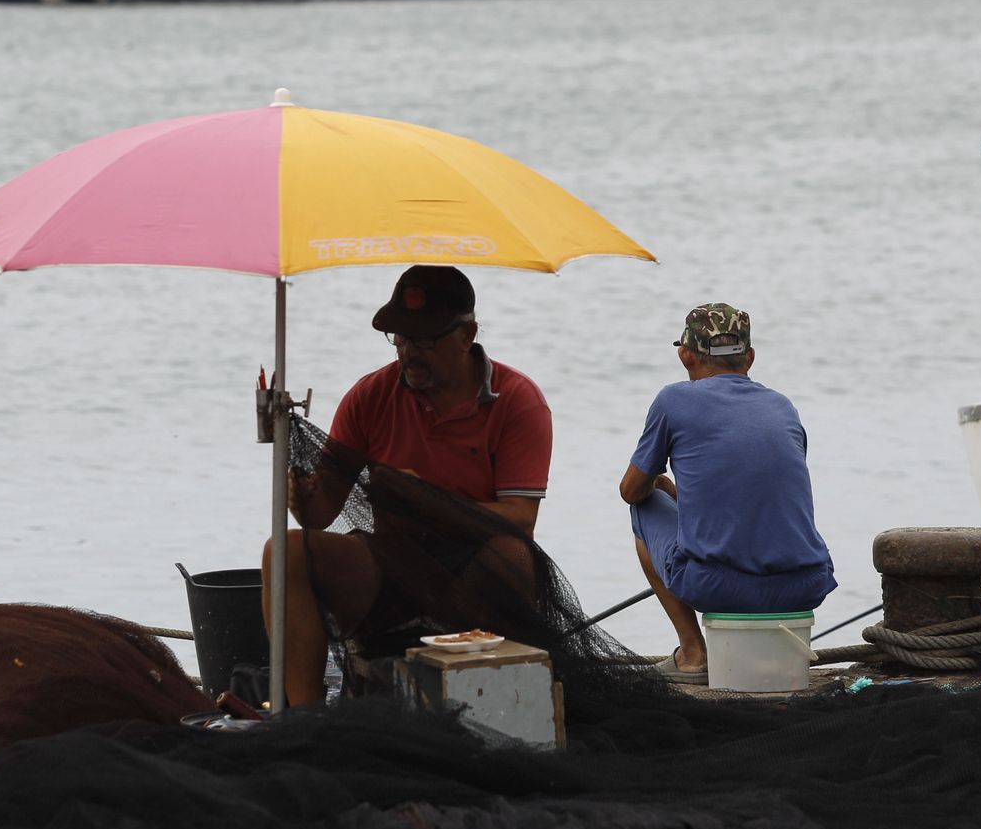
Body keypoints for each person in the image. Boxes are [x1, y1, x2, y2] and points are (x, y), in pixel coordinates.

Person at [261, 265, 552, 706]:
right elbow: (321, 513)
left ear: (466, 334)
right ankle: (301, 718)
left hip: (472, 565)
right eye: (400, 337)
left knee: (513, 558)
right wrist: (297, 490)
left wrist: (429, 501)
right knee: (285, 552)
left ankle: (491, 697)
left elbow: (520, 519)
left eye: (424, 339)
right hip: (388, 565)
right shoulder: (369, 395)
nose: (409, 352)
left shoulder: (517, 399)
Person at [619, 303, 836, 683]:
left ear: (686, 355)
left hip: (719, 589)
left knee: (644, 507)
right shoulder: (782, 406)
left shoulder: (673, 400)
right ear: (749, 357)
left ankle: (693, 652)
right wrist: (683, 494)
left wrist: (658, 484)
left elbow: (630, 490)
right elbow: (755, 492)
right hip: (807, 584)